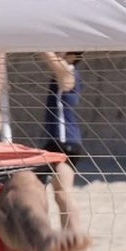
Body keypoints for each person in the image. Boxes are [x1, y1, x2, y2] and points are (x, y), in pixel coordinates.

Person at [38, 51, 86, 230]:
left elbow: (46, 53)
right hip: (60, 141)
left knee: (63, 194)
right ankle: (69, 235)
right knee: (60, 194)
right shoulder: (67, 73)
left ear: (73, 54)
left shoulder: (67, 71)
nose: (57, 51)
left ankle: (73, 237)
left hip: (64, 142)